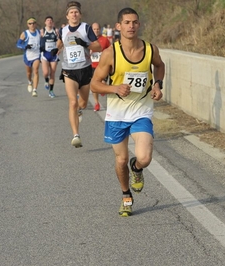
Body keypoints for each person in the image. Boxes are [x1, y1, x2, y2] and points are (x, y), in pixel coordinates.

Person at [90, 7, 165, 217]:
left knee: (145, 157)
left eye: (134, 22)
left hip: (141, 111)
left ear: (139, 25)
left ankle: (138, 168)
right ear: (118, 26)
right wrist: (114, 88)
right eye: (127, 22)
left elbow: (160, 66)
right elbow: (95, 84)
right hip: (117, 115)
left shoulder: (150, 50)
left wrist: (157, 85)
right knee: (121, 160)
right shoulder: (110, 54)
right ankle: (126, 195)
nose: (131, 26)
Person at [56, 1, 101, 148]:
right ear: (67, 16)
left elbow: (98, 46)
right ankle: (76, 135)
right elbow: (59, 44)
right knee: (73, 102)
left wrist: (85, 44)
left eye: (76, 12)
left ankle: (80, 110)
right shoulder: (62, 31)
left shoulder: (85, 28)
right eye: (71, 12)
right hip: (69, 70)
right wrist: (54, 50)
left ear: (80, 15)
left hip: (85, 69)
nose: (74, 14)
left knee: (82, 103)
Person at [16, 17, 41, 97]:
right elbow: (18, 44)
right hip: (28, 56)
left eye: (33, 23)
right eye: (30, 23)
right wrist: (25, 46)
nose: (32, 25)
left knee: (36, 71)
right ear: (28, 25)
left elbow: (44, 42)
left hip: (36, 55)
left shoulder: (39, 32)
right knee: (29, 73)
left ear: (36, 24)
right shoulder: (25, 33)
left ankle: (35, 90)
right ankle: (30, 82)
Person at [91, 22, 111, 111]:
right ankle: (96, 103)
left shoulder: (105, 39)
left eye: (97, 29)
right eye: (94, 29)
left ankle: (102, 89)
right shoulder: (88, 40)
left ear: (100, 29)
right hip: (92, 65)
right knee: (94, 85)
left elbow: (110, 50)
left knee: (102, 83)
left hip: (103, 65)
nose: (96, 31)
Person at [40, 16, 60, 98]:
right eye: (47, 20)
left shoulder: (56, 31)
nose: (49, 22)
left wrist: (58, 50)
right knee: (45, 73)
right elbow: (38, 41)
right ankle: (46, 80)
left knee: (52, 73)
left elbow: (60, 42)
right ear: (45, 22)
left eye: (51, 20)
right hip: (45, 54)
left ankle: (51, 91)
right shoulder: (42, 31)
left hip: (53, 55)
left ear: (53, 22)